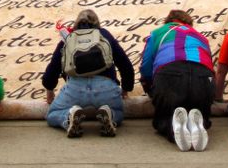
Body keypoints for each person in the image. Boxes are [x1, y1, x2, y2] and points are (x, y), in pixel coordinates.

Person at [41, 9, 136, 138]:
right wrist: (126, 88)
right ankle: (110, 114)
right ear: (97, 23)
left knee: (52, 115)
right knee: (119, 113)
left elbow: (53, 67)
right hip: (105, 88)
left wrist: (50, 90)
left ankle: (68, 117)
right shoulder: (104, 35)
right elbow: (125, 65)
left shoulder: (69, 37)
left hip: (75, 89)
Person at [139, 10, 214, 152]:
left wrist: (150, 89)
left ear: (168, 21)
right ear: (189, 23)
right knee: (201, 108)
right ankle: (200, 122)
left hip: (170, 74)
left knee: (163, 116)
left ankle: (173, 126)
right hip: (203, 77)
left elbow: (146, 66)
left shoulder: (158, 32)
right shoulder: (202, 38)